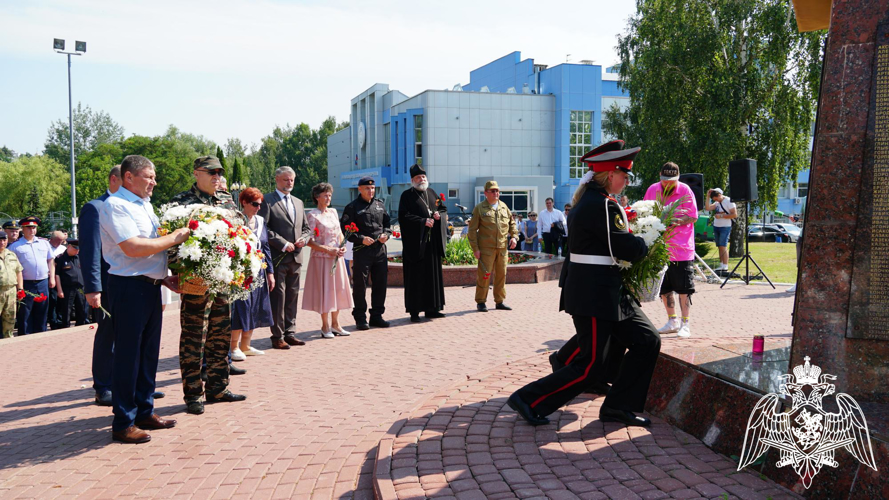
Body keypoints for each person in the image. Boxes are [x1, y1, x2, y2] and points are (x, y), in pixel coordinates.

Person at [508, 140, 661, 428]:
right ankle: (530, 400)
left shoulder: (593, 201)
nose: (627, 181)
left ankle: (618, 405)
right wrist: (646, 243)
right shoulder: (603, 204)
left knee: (647, 340)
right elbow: (623, 246)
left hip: (605, 291)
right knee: (590, 366)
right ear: (609, 174)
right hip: (596, 293)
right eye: (624, 175)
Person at [98, 154, 189, 443]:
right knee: (128, 356)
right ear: (129, 177)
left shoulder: (144, 205)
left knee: (148, 353)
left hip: (149, 286)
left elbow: (150, 249)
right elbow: (133, 248)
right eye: (149, 176)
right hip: (128, 288)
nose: (154, 181)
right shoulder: (116, 206)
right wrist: (175, 238)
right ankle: (123, 422)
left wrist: (163, 277)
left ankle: (144, 410)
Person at [169, 156, 247, 415]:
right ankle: (193, 394)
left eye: (219, 172)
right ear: (196, 174)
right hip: (195, 282)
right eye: (211, 172)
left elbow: (241, 229)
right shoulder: (181, 203)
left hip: (222, 281)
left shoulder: (225, 199)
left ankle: (218, 387)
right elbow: (169, 239)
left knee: (220, 336)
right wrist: (178, 269)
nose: (216, 176)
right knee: (194, 339)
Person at [258, 166, 312, 349]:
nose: (289, 183)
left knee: (292, 297)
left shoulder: (298, 202)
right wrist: (282, 243)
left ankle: (290, 333)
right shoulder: (267, 201)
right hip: (277, 258)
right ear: (277, 180)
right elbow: (263, 228)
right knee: (278, 298)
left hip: (296, 258)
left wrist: (303, 240)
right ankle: (277, 336)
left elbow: (306, 228)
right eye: (285, 180)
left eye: (292, 180)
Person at [644, 162, 698, 338]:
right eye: (664, 180)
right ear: (660, 176)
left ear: (678, 178)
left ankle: (685, 323)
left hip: (682, 249)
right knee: (664, 288)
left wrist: (676, 220)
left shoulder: (685, 190)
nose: (667, 184)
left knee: (684, 289)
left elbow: (693, 215)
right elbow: (645, 212)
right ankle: (672, 320)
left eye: (671, 181)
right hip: (660, 247)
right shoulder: (653, 189)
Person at [398, 164, 447, 323]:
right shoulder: (406, 196)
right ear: (412, 180)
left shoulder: (432, 193)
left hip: (431, 245)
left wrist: (439, 215)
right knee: (416, 277)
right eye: (418, 177)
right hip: (416, 245)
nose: (422, 180)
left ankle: (432, 309)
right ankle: (414, 311)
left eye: (424, 177)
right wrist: (422, 221)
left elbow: (443, 209)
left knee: (432, 276)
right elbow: (404, 217)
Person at [230, 188, 275, 360]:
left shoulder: (261, 221)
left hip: (258, 270)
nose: (258, 207)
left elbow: (265, 247)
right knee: (241, 307)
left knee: (255, 306)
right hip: (240, 271)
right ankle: (234, 346)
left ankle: (246, 345)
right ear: (244, 203)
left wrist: (270, 271)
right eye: (254, 204)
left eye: (260, 204)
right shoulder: (236, 221)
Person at [304, 182, 354, 336]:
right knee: (325, 291)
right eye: (325, 195)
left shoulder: (332, 212)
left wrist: (343, 246)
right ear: (317, 197)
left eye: (330, 195)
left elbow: (339, 233)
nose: (328, 197)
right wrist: (328, 249)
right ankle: (325, 326)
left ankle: (336, 324)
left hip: (336, 258)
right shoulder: (312, 215)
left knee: (338, 289)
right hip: (321, 259)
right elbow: (309, 240)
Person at [342, 177, 391, 330]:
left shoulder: (380, 205)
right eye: (367, 188)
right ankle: (360, 317)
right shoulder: (352, 207)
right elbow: (345, 230)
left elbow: (388, 225)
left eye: (373, 188)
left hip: (380, 251)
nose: (371, 191)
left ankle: (376, 316)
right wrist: (361, 239)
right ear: (360, 189)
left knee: (380, 284)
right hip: (362, 251)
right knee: (360, 285)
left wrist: (386, 235)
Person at [467, 180, 518, 312]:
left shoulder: (503, 207)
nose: (496, 193)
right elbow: (472, 230)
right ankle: (481, 301)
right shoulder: (479, 208)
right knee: (484, 275)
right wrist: (476, 249)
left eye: (497, 191)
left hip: (502, 248)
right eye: (493, 191)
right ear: (486, 193)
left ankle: (499, 301)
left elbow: (512, 224)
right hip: (486, 249)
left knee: (501, 275)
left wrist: (514, 237)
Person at [9, 216, 55, 335]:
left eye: (34, 227)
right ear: (22, 229)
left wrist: (52, 278)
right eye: (28, 228)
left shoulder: (44, 243)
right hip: (26, 283)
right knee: (25, 313)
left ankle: (41, 335)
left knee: (42, 311)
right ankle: (25, 338)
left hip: (43, 282)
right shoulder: (15, 246)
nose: (32, 230)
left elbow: (50, 260)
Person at [54, 238, 89, 328]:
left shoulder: (80, 257)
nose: (77, 251)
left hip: (80, 288)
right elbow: (57, 275)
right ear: (69, 247)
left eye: (78, 249)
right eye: (75, 249)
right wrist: (59, 290)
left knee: (81, 308)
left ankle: (80, 326)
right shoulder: (60, 258)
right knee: (66, 309)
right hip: (67, 288)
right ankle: (66, 327)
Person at [704, 188, 737, 273]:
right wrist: (707, 196)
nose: (716, 201)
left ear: (719, 195)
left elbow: (734, 214)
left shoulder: (729, 201)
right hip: (716, 226)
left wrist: (721, 216)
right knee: (719, 246)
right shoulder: (717, 203)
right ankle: (721, 265)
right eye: (714, 200)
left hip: (725, 226)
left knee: (723, 245)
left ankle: (725, 266)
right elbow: (707, 208)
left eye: (716, 199)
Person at [0, 232, 23, 338]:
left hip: (11, 290)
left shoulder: (11, 254)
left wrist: (20, 289)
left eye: (4, 240)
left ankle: (8, 340)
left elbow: (19, 272)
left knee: (10, 317)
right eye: (0, 240)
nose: (2, 243)